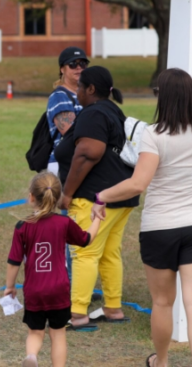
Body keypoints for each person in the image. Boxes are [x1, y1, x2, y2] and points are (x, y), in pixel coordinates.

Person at [91, 68, 192, 367]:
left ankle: (161, 361)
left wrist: (102, 196)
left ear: (166, 98)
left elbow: (139, 183)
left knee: (163, 302)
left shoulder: (154, 134)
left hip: (160, 228)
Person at [52, 65, 136, 328]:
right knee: (110, 253)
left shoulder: (93, 114)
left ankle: (77, 314)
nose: (76, 92)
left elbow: (89, 152)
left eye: (79, 87)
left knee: (85, 253)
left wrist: (67, 194)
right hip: (120, 196)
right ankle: (113, 309)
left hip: (93, 198)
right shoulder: (113, 111)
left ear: (90, 89)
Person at [5, 172, 101, 367]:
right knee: (58, 334)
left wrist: (9, 286)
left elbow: (14, 260)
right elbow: (85, 239)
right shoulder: (64, 223)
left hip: (34, 291)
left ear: (31, 196)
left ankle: (31, 357)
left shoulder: (22, 226)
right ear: (57, 199)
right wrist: (97, 218)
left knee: (35, 332)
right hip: (58, 290)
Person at [45, 47, 87, 176]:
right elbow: (69, 133)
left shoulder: (88, 94)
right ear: (62, 69)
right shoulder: (59, 96)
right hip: (63, 164)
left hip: (82, 160)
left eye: (83, 63)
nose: (79, 67)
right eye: (73, 64)